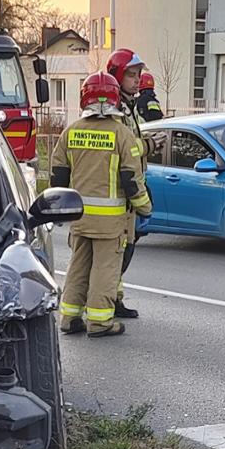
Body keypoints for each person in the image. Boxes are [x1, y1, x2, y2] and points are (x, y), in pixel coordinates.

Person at [51, 72, 150, 338]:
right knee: (106, 270)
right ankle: (99, 322)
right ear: (116, 98)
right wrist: (145, 208)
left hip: (79, 218)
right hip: (110, 221)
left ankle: (69, 317)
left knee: (78, 266)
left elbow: (57, 176)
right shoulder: (121, 133)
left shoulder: (70, 132)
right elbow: (132, 178)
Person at [105, 49, 150, 319]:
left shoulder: (129, 107)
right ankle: (105, 301)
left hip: (129, 190)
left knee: (126, 248)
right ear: (117, 76)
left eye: (138, 75)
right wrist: (150, 145)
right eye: (131, 75)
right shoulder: (114, 109)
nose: (137, 81)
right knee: (119, 251)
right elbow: (126, 148)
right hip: (117, 192)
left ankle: (114, 298)